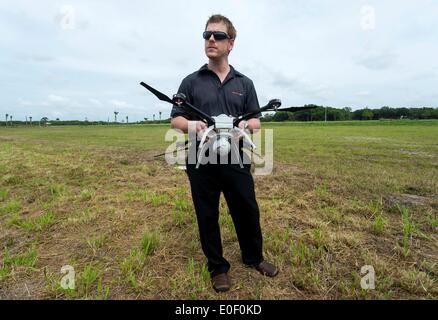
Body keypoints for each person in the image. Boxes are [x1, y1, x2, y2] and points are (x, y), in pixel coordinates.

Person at [170, 14, 278, 293]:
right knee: (206, 213)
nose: (211, 40)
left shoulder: (245, 83)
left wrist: (245, 126)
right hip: (201, 160)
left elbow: (257, 120)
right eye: (206, 35)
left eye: (218, 36)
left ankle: (254, 258)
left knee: (247, 209)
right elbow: (176, 120)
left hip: (236, 158)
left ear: (231, 43)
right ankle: (218, 268)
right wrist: (191, 124)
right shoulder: (191, 82)